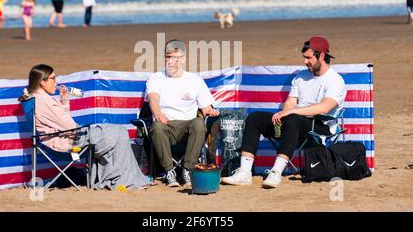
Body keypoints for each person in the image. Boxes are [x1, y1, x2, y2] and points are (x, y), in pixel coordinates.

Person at [221, 36, 346, 189]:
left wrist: (291, 113)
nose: (305, 62)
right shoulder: (301, 77)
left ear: (321, 55)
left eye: (308, 58)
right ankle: (245, 172)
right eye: (304, 58)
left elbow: (324, 108)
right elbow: (291, 101)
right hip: (295, 123)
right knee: (255, 118)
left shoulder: (335, 80)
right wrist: (283, 114)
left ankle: (276, 172)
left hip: (319, 125)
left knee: (292, 119)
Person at [19, 64, 149, 190]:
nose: (56, 81)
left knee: (115, 133)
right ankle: (123, 180)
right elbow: (69, 125)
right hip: (69, 141)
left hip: (60, 139)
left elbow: (62, 123)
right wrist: (84, 128)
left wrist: (64, 100)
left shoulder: (35, 99)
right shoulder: (44, 101)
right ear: (42, 82)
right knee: (119, 132)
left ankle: (118, 179)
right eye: (53, 78)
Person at [145, 40, 220, 188]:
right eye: (168, 57)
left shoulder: (194, 80)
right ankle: (168, 171)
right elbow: (153, 99)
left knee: (199, 124)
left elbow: (205, 107)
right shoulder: (156, 78)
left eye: (175, 58)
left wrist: (210, 111)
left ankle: (188, 169)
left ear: (184, 59)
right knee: (157, 127)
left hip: (188, 126)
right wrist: (158, 113)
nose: (171, 62)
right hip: (166, 125)